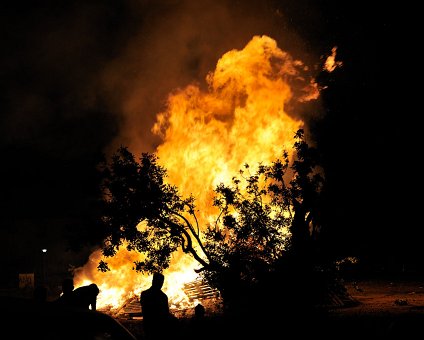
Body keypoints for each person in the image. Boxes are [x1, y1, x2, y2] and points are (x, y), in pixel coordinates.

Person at [139, 272, 172, 340]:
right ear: (153, 281)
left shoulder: (145, 294)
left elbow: (166, 313)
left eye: (161, 282)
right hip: (154, 326)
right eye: (159, 282)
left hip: (152, 326)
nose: (160, 284)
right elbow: (166, 313)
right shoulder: (163, 296)